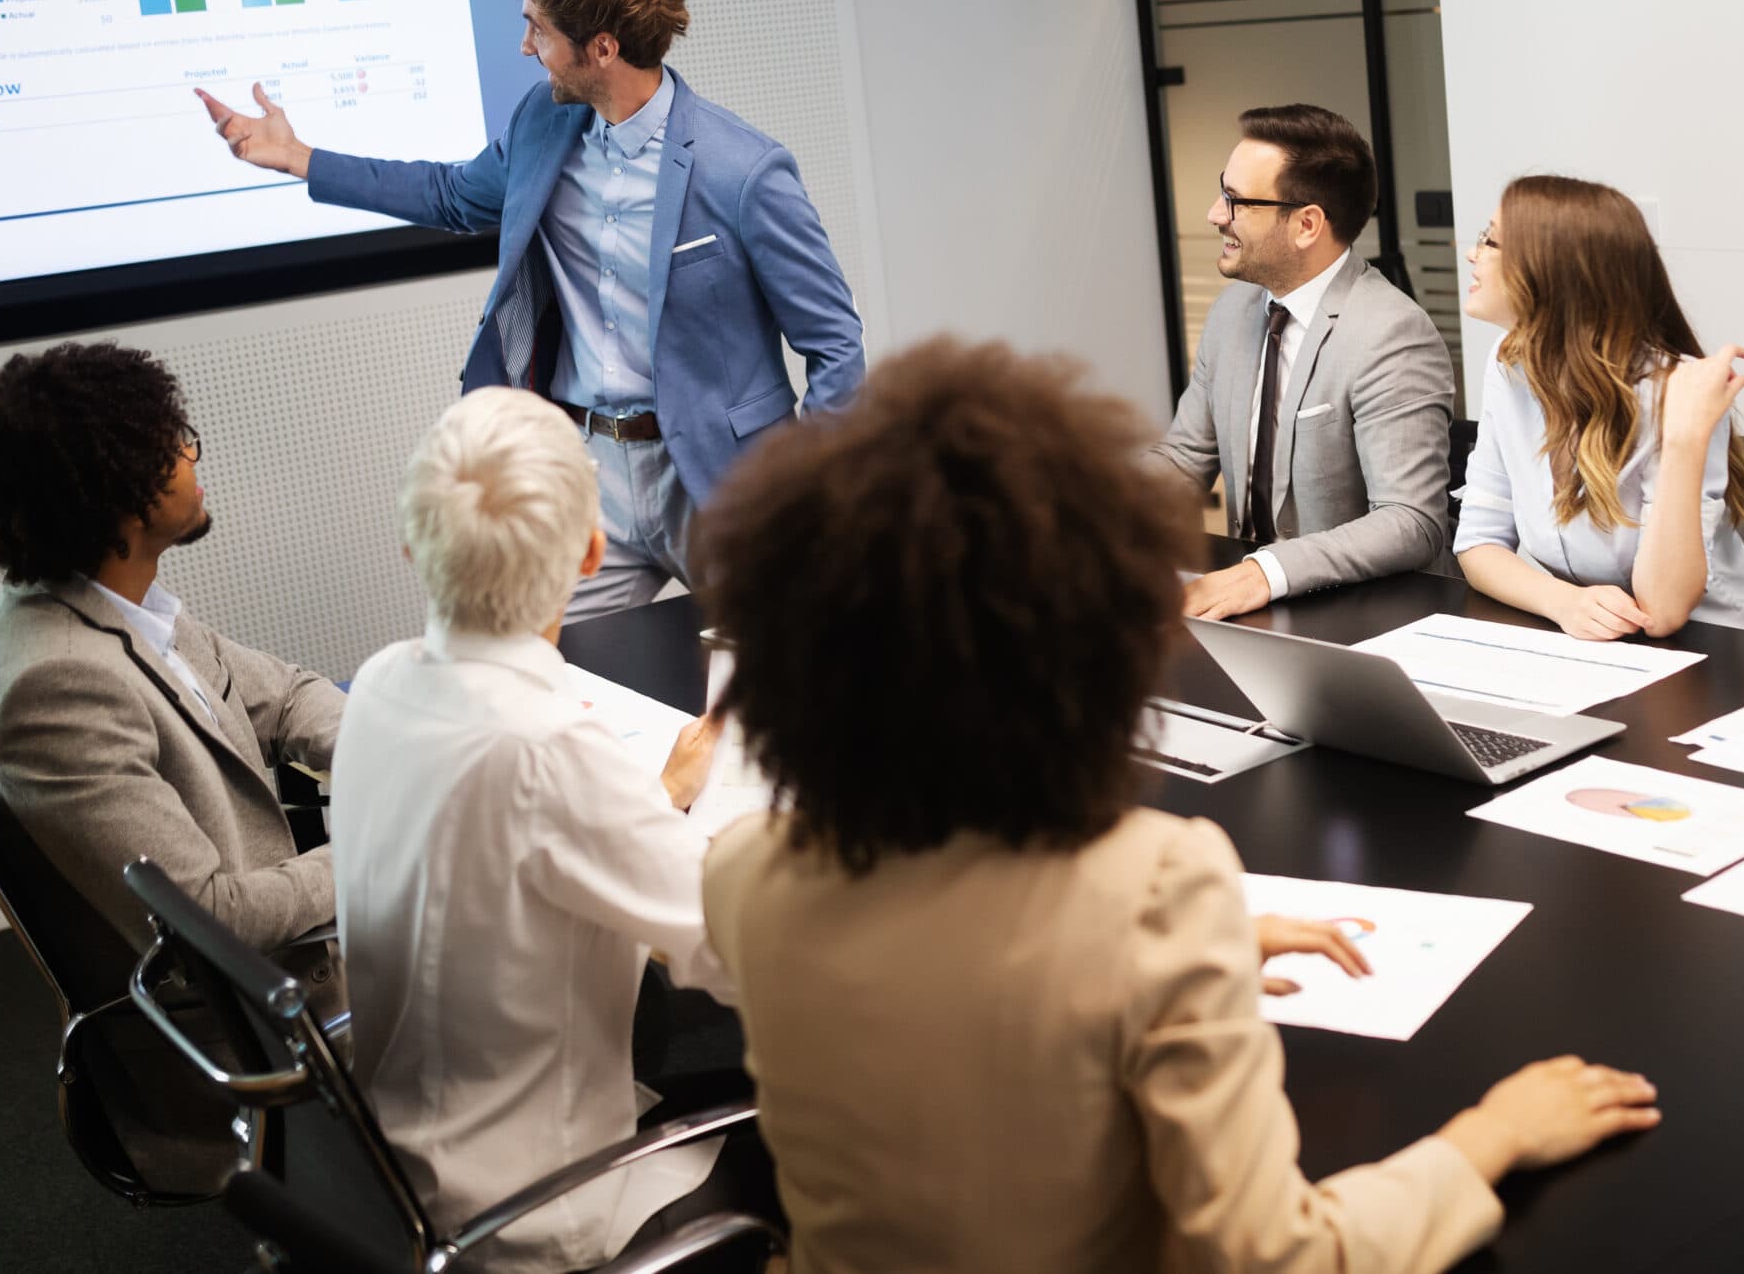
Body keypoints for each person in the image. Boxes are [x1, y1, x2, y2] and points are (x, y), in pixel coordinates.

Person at [694, 338, 1661, 1274]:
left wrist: (1167, 960)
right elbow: (1275, 1258)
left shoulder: (745, 870)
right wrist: (1488, 1137)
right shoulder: (1154, 889)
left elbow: (939, 999)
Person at [197, 0, 866, 617]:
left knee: (777, 669)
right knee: (532, 659)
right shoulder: (543, 123)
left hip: (720, 482)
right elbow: (450, 195)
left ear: (601, 48)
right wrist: (301, 157)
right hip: (586, 475)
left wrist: (801, 490)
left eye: (538, 30)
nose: (526, 47)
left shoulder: (744, 169)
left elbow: (835, 343)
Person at [331, 387, 760, 1272]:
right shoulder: (550, 749)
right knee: (823, 1127)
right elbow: (730, 948)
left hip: (397, 1165)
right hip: (531, 1209)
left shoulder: (377, 684)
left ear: (411, 543)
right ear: (594, 551)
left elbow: (504, 846)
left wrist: (655, 797)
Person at [0, 340, 342, 963]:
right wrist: (382, 848)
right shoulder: (59, 690)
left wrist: (399, 757)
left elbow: (286, 696)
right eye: (171, 443)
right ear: (119, 494)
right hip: (275, 988)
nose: (191, 453)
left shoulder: (110, 605)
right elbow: (212, 917)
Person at [1453, 176, 1744, 640]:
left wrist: (1684, 439)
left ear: (1552, 271)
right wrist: (1563, 602)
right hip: (1608, 648)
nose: (1472, 254)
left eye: (1490, 241)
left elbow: (1663, 610)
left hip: (1728, 647)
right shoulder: (1508, 364)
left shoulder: (1676, 389)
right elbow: (1478, 543)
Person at [1150, 104, 1455, 621]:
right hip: (1255, 607)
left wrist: (1263, 572)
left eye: (1235, 201)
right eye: (1223, 191)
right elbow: (1184, 457)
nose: (1215, 214)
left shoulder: (1391, 332)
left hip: (1363, 615)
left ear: (1307, 224)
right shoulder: (1234, 309)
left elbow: (1410, 520)